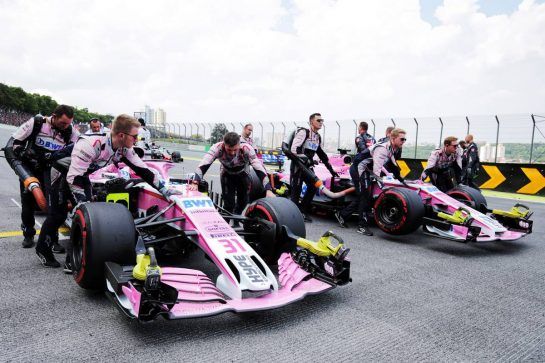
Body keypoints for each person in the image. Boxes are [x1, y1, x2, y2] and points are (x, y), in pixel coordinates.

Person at [59, 114, 177, 271]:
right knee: (63, 215)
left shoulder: (123, 149)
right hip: (60, 172)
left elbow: (144, 170)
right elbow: (73, 178)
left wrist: (164, 189)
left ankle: (71, 259)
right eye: (134, 137)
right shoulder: (91, 143)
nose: (136, 140)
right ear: (122, 135)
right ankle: (47, 249)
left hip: (82, 175)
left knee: (85, 217)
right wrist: (82, 204)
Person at [4, 105, 79, 251]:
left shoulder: (71, 131)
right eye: (63, 123)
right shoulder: (36, 123)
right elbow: (13, 144)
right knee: (28, 203)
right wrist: (23, 154)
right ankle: (28, 234)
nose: (65, 126)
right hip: (31, 167)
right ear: (54, 116)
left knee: (54, 206)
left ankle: (52, 239)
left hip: (53, 170)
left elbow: (78, 151)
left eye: (68, 123)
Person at [336, 128, 406, 235]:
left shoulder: (391, 148)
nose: (404, 141)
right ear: (393, 138)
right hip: (358, 169)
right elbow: (377, 170)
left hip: (365, 170)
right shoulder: (383, 148)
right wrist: (383, 186)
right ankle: (361, 226)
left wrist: (401, 180)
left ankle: (342, 214)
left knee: (364, 196)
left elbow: (394, 165)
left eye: (405, 139)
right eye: (402, 139)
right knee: (365, 196)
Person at [190, 132, 275, 216]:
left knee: (243, 202)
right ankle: (225, 222)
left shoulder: (246, 148)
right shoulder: (217, 147)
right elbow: (204, 163)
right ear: (224, 144)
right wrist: (195, 182)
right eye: (229, 150)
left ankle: (237, 217)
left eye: (235, 149)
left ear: (239, 144)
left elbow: (259, 168)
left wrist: (268, 189)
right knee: (228, 203)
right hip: (226, 174)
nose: (232, 153)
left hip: (243, 174)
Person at [289, 113, 338, 222]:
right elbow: (294, 150)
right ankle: (292, 217)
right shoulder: (304, 132)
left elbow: (322, 154)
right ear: (311, 121)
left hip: (307, 168)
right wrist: (308, 159)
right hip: (298, 166)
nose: (321, 122)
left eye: (322, 120)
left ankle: (303, 211)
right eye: (318, 120)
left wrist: (331, 170)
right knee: (295, 193)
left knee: (313, 186)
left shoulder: (317, 137)